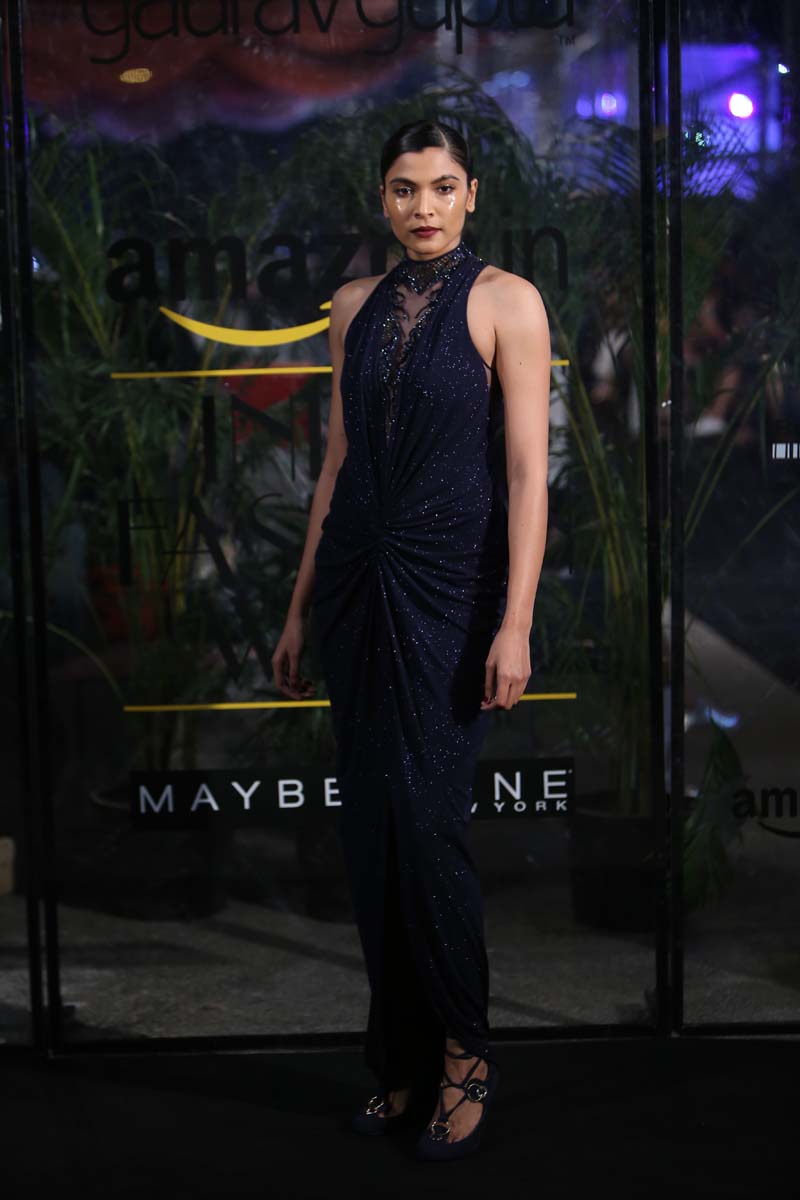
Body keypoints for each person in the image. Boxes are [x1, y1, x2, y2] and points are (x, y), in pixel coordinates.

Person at [271, 118, 550, 1161]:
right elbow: (336, 467)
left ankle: (465, 1056)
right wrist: (300, 606)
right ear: (382, 198)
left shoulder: (508, 301)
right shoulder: (352, 306)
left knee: (429, 829)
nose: (422, 206)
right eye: (403, 188)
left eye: (440, 187)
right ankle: (398, 1060)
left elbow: (526, 476)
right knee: (371, 833)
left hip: (452, 595)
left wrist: (515, 622)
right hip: (354, 585)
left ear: (471, 193)